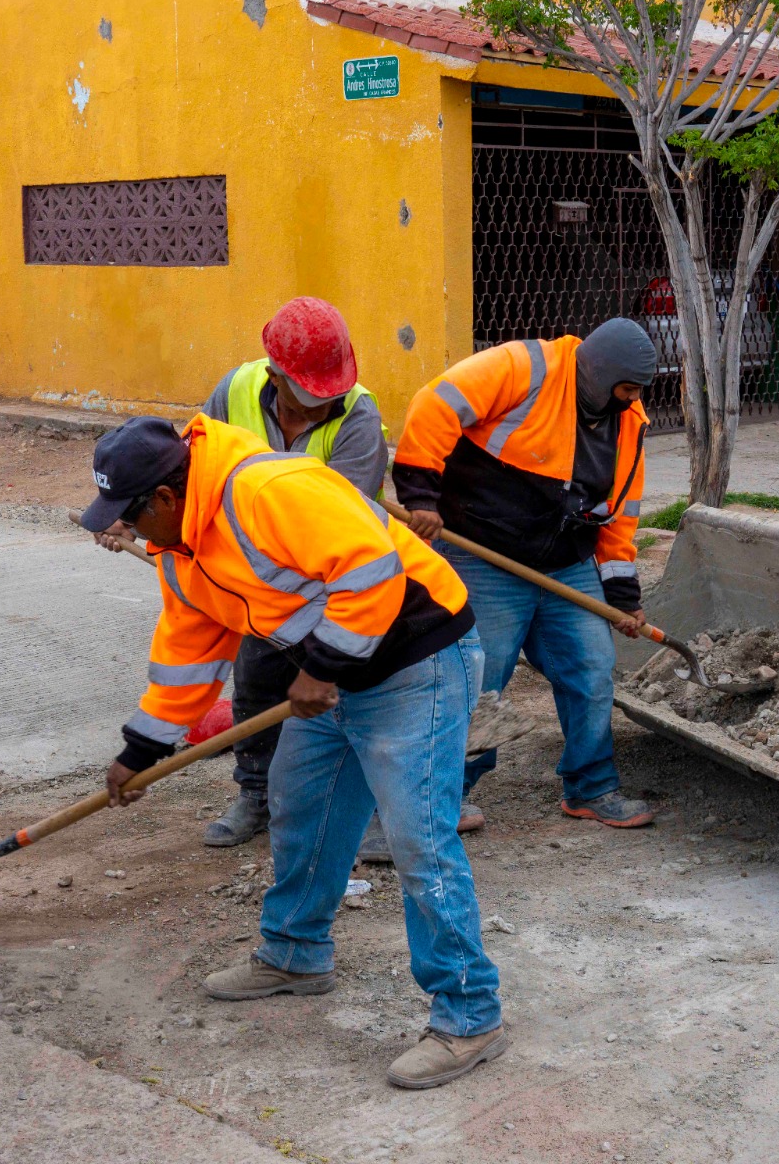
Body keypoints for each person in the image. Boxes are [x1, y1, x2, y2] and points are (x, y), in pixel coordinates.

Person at [80, 414, 505, 1089]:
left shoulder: (269, 491)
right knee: (301, 803)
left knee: (418, 838)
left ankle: (469, 1014)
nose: (126, 532)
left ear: (164, 497)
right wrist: (141, 751)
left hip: (417, 657)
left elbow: (372, 569)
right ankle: (296, 952)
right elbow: (189, 654)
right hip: (336, 676)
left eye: (130, 516)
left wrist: (325, 666)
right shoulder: (183, 551)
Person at [394, 318, 658, 829]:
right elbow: (436, 403)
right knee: (480, 675)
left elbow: (621, 512)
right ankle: (443, 796)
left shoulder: (627, 421)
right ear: (600, 375)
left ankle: (591, 786)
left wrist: (622, 595)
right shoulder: (525, 367)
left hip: (566, 564)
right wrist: (420, 495)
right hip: (486, 555)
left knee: (592, 667)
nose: (631, 400)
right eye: (626, 389)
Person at [197, 297, 388, 848]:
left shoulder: (358, 413)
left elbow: (342, 517)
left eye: (326, 396)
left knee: (355, 693)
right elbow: (198, 465)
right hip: (265, 582)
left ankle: (371, 809)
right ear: (276, 375)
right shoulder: (234, 391)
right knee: (256, 684)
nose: (318, 408)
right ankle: (256, 795)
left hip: (339, 582)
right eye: (307, 396)